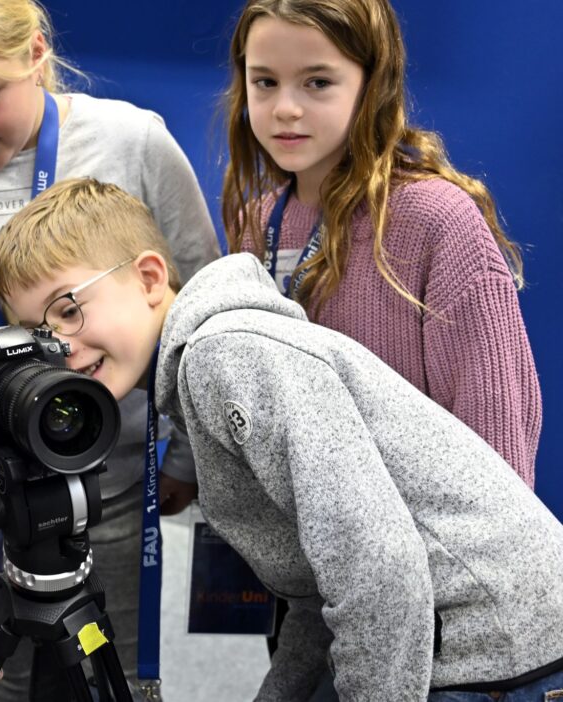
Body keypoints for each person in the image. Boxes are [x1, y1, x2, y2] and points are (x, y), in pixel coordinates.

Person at [0, 176, 563, 702]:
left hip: (494, 650)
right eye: (38, 331)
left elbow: (377, 567)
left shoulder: (225, 355)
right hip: (456, 639)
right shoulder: (202, 369)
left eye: (67, 309)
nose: (57, 346)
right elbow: (319, 592)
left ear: (149, 279)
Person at [0, 0, 220, 697]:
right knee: (2, 682)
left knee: (114, 670)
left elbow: (194, 294)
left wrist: (187, 453)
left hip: (116, 489)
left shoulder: (134, 144)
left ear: (34, 53)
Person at [219, 0, 541, 486]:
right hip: (292, 545)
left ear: (373, 84)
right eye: (265, 81)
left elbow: (497, 442)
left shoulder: (436, 220)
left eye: (318, 82)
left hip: (423, 548)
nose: (285, 107)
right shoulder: (255, 223)